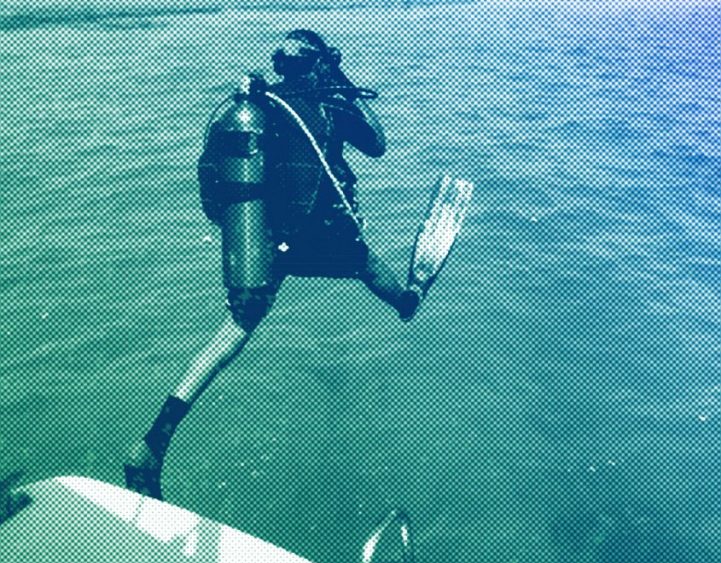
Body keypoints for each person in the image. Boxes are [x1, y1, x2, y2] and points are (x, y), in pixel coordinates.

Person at [124, 29, 470, 500]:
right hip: (321, 231)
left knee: (234, 333)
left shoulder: (260, 108)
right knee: (369, 267)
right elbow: (377, 143)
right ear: (319, 65)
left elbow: (217, 187)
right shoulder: (330, 103)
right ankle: (407, 300)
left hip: (269, 237)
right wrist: (339, 75)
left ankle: (152, 444)